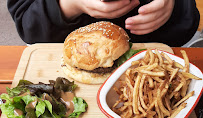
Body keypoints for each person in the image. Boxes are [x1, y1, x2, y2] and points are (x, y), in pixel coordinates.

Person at [7, 0, 200, 46]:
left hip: (153, 48)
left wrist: (172, 5)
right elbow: (27, 22)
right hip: (60, 62)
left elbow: (187, 25)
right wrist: (70, 5)